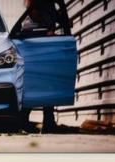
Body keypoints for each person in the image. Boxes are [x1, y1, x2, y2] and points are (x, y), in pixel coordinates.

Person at [22, 0, 70, 133]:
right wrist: (47, 31)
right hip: (37, 43)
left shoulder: (50, 6)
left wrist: (61, 6)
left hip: (42, 43)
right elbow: (33, 16)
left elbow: (65, 22)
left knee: (46, 82)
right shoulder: (37, 5)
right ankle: (28, 120)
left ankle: (46, 121)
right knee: (40, 82)